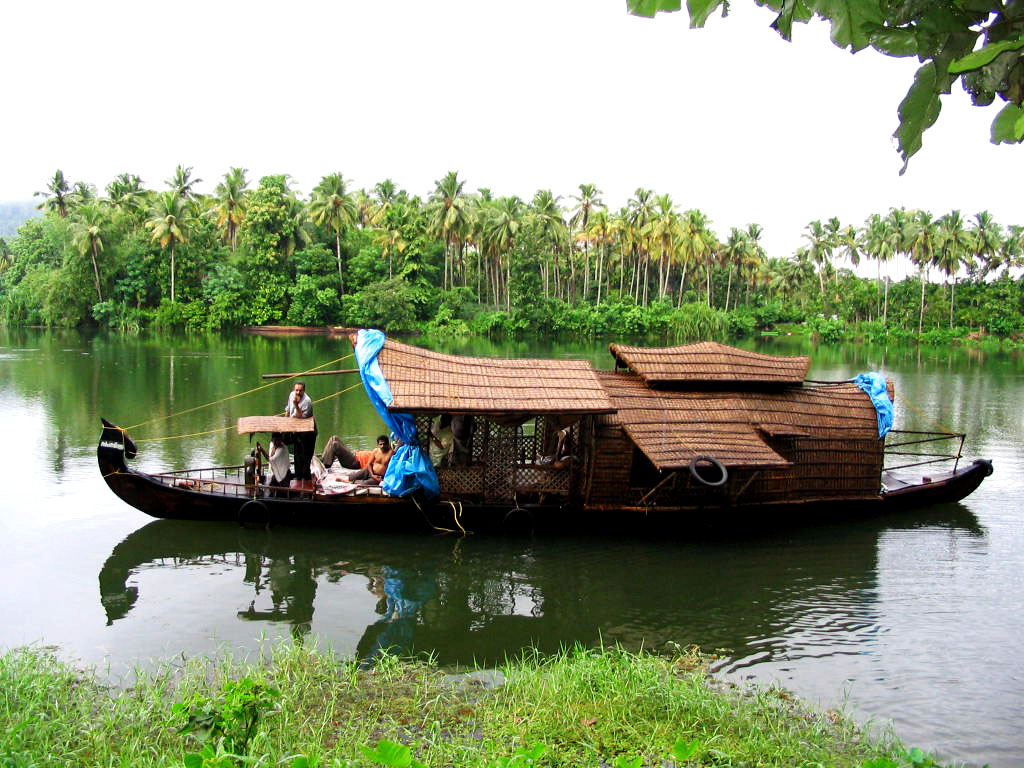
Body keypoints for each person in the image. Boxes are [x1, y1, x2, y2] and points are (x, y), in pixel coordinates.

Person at [320, 433, 394, 484]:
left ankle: (325, 466)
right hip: (357, 457)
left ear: (388, 444)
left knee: (335, 444)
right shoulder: (376, 451)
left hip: (355, 462)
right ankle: (324, 462)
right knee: (334, 438)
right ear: (378, 445)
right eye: (380, 444)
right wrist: (372, 474)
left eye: (384, 444)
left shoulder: (391, 453)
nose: (382, 446)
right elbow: (369, 464)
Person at [285, 381, 316, 482]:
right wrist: (284, 423)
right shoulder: (291, 395)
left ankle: (306, 480)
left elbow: (300, 417)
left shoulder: (307, 401)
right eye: (296, 390)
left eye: (300, 390)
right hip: (296, 430)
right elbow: (288, 410)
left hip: (308, 431)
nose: (298, 392)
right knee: (297, 455)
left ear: (304, 390)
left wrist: (296, 404)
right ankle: (298, 477)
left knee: (306, 457)